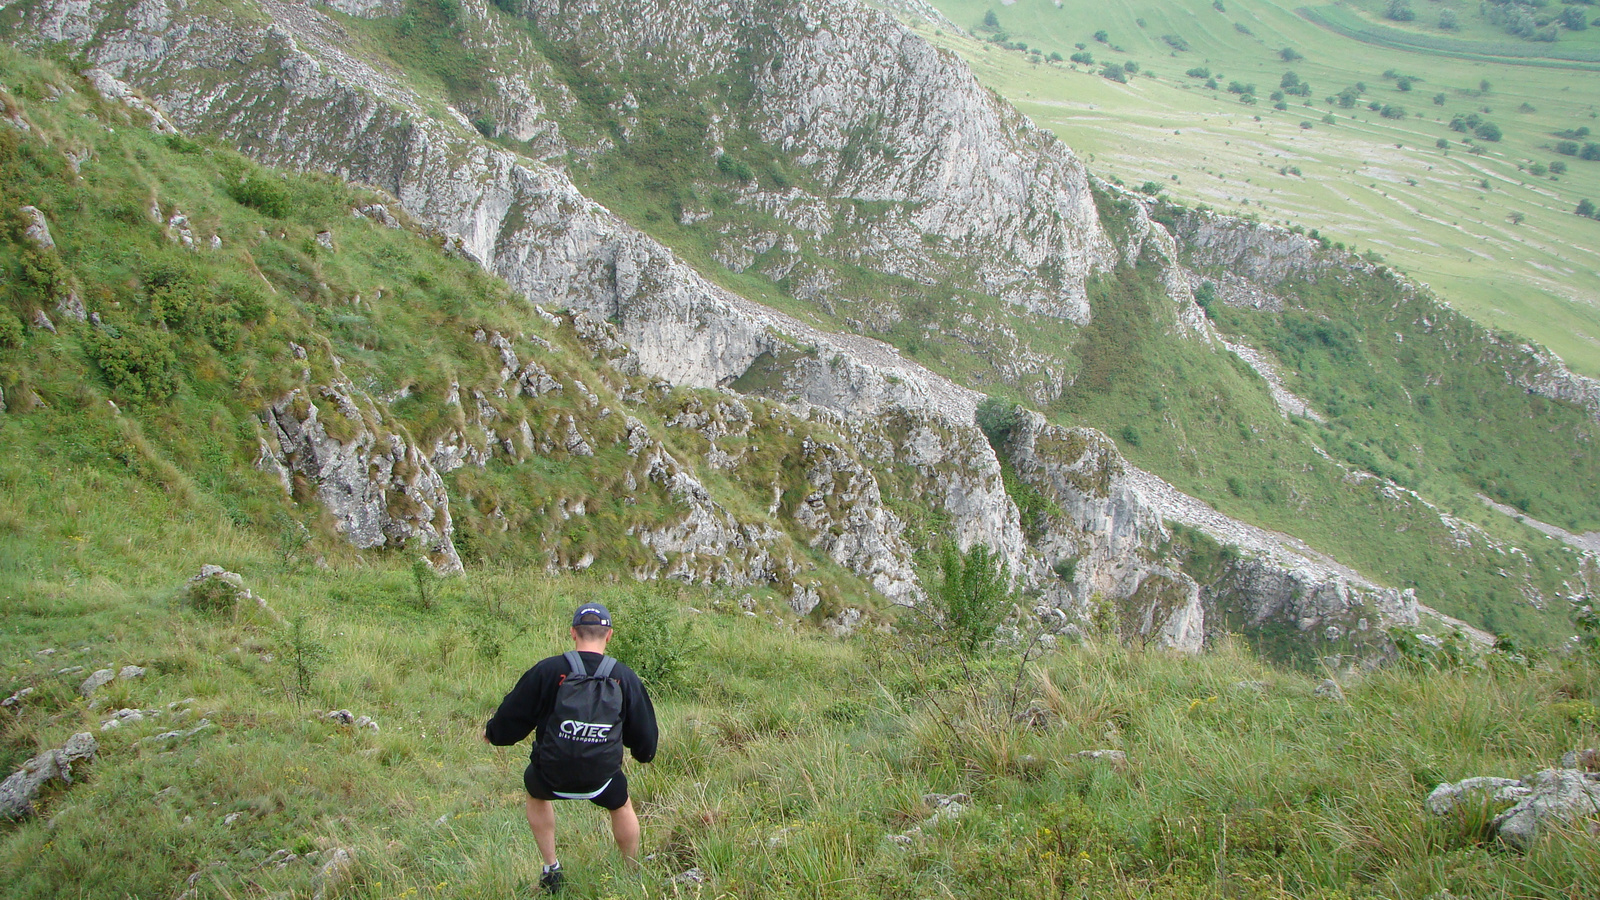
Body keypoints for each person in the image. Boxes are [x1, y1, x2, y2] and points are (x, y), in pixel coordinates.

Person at [485, 602, 658, 894]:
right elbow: (644, 738)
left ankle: (551, 868)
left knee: (534, 791)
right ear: (609, 635)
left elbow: (515, 713)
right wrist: (643, 754)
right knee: (621, 803)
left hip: (549, 775)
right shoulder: (624, 677)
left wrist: (494, 734)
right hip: (602, 779)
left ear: (573, 633)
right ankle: (630, 871)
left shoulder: (549, 670)